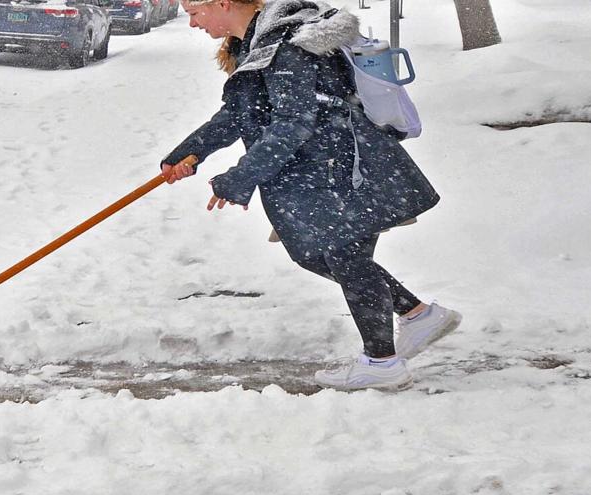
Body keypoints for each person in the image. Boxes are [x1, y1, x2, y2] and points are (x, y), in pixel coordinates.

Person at [160, 0, 459, 391]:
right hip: (320, 168)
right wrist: (188, 152)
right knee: (315, 254)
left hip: (340, 165)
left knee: (343, 254)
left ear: (223, 3)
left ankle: (382, 361)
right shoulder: (255, 46)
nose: (192, 22)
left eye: (195, 11)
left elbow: (295, 122)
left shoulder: (286, 46)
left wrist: (239, 177)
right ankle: (418, 315)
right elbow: (238, 114)